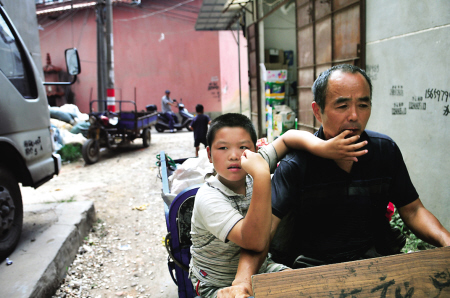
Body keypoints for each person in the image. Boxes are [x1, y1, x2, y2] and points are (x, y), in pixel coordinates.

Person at [219, 64, 450, 298]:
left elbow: (413, 211)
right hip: (311, 272)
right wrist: (242, 282)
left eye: (363, 105)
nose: (354, 116)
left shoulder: (384, 151)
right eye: (342, 105)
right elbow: (264, 231)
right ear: (318, 112)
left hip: (374, 268)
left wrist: (446, 240)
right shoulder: (296, 164)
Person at [190, 112, 369, 298]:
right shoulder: (209, 197)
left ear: (255, 150)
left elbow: (287, 138)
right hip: (216, 284)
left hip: (261, 268)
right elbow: (254, 241)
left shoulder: (255, 164)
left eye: (243, 147)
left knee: (308, 289)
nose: (234, 155)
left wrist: (324, 147)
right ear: (209, 154)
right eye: (223, 148)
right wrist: (261, 175)